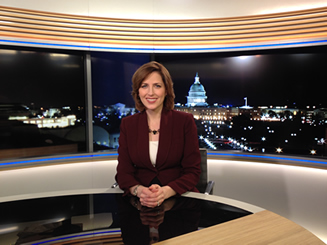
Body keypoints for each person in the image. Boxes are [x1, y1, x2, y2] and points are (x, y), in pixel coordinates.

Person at [115, 61, 201, 208]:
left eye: (157, 86)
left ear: (166, 90)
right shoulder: (128, 124)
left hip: (179, 201)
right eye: (144, 86)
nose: (151, 93)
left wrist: (166, 191)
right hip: (139, 203)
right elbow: (123, 173)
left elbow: (192, 172)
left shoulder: (184, 121)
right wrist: (140, 190)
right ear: (138, 92)